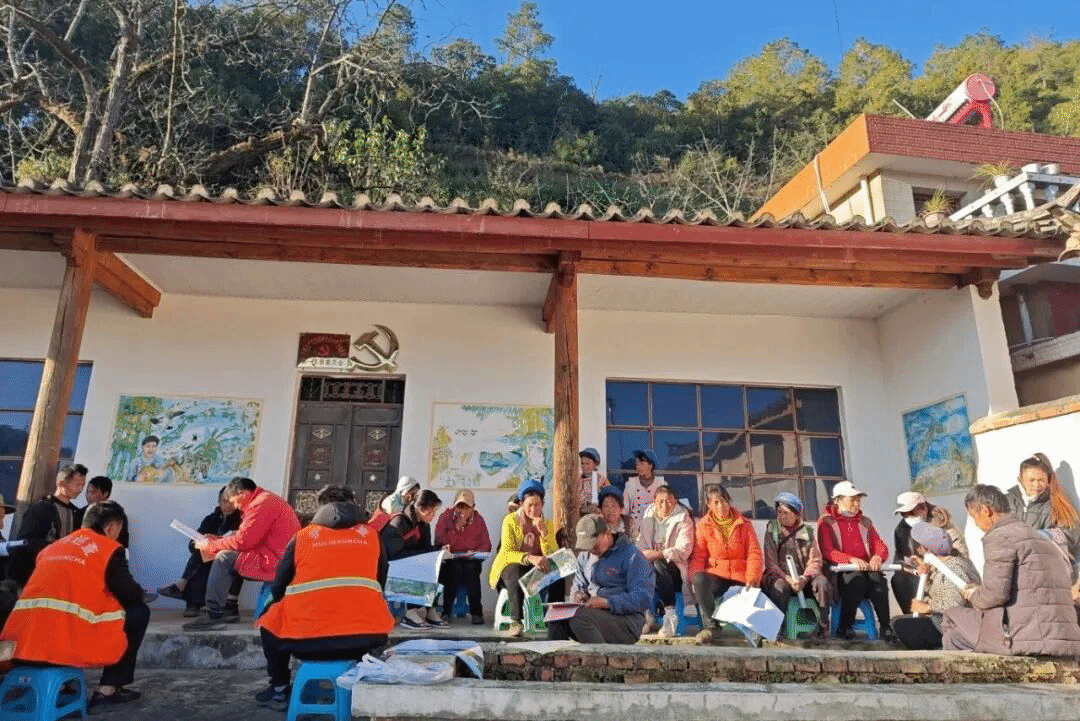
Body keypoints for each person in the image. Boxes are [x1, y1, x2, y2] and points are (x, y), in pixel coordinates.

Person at [254, 485, 394, 711]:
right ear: (354, 504)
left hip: (306, 642)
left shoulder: (303, 537)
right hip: (365, 639)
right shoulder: (371, 536)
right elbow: (381, 580)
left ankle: (279, 689)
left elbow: (279, 585)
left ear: (319, 509)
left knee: (268, 617)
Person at [1, 501, 150, 708]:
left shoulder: (52, 547)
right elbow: (130, 594)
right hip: (65, 645)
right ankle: (108, 690)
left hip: (21, 648)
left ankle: (62, 686)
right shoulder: (107, 549)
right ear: (111, 528)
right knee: (139, 612)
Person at [943, 484, 1080, 655]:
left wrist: (973, 595)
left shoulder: (999, 536)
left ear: (985, 511)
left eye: (974, 517)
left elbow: (995, 595)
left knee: (951, 625)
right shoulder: (1037, 536)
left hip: (1027, 637)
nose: (976, 524)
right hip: (1063, 636)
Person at [185, 477, 300, 631]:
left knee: (224, 558)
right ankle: (228, 609)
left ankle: (213, 614)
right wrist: (218, 540)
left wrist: (211, 545)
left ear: (242, 493)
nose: (235, 506)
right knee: (230, 555)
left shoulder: (261, 504)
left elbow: (243, 541)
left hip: (275, 559)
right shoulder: (264, 500)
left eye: (234, 501)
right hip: (276, 555)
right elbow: (248, 536)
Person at [547, 514, 654, 644]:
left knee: (580, 617)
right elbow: (578, 586)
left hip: (626, 621)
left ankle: (600, 655)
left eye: (594, 545)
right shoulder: (584, 557)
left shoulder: (633, 556)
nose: (591, 550)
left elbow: (642, 599)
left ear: (607, 533)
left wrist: (606, 602)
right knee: (556, 617)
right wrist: (579, 595)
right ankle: (558, 656)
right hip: (593, 614)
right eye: (587, 546)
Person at [818, 481, 895, 643]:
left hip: (865, 570)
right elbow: (827, 551)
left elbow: (880, 545)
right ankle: (844, 627)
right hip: (840, 572)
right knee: (856, 581)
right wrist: (851, 559)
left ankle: (886, 626)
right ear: (837, 501)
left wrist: (877, 557)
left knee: (879, 582)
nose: (856, 504)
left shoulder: (865, 522)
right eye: (852, 499)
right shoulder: (826, 523)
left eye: (858, 500)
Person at [689, 483, 763, 642]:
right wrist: (694, 578)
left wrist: (752, 576)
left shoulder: (744, 524)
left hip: (740, 577)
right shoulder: (703, 526)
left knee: (759, 593)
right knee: (699, 579)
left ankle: (756, 628)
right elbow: (698, 556)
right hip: (717, 577)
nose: (720, 506)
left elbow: (754, 553)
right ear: (709, 504)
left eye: (723, 501)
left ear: (729, 502)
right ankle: (712, 626)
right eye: (715, 502)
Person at [489, 479, 561, 638]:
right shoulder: (510, 521)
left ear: (543, 504)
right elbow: (507, 552)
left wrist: (544, 535)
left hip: (534, 571)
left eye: (537, 505)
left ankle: (557, 621)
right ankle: (516, 621)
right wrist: (529, 558)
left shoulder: (548, 524)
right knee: (515, 570)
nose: (533, 509)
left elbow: (551, 554)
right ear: (521, 504)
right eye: (529, 505)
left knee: (558, 573)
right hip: (509, 570)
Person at [891, 521, 979, 650]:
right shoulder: (943, 563)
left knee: (902, 627)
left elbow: (956, 603)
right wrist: (926, 576)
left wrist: (928, 607)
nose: (917, 549)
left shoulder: (952, 568)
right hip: (943, 620)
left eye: (919, 545)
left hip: (954, 626)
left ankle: (940, 647)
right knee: (897, 622)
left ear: (926, 548)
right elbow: (940, 590)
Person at [156, 486, 243, 616]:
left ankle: (185, 591)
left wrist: (216, 539)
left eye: (231, 502)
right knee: (199, 554)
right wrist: (199, 541)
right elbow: (193, 544)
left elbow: (239, 541)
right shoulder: (211, 519)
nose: (228, 505)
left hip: (227, 555)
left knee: (200, 559)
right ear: (219, 502)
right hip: (208, 555)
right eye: (224, 501)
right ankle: (192, 601)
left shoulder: (240, 520)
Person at [761, 491, 833, 639]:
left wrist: (804, 578)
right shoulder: (772, 530)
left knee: (822, 583)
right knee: (779, 587)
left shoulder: (807, 531)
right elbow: (771, 563)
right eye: (779, 512)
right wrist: (788, 579)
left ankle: (822, 627)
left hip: (803, 578)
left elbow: (814, 560)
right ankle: (778, 628)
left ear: (796, 514)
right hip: (782, 577)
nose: (781, 516)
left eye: (786, 513)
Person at [890, 491, 967, 614]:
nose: (908, 518)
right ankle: (912, 618)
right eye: (904, 514)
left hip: (944, 572)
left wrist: (932, 566)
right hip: (918, 574)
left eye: (911, 513)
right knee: (898, 580)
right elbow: (900, 557)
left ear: (924, 508)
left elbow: (960, 556)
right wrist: (914, 568)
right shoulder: (901, 530)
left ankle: (935, 614)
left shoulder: (944, 525)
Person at [10, 463, 88, 584]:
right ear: (61, 483)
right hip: (38, 574)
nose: (80, 489)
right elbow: (25, 542)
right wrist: (55, 545)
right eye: (77, 484)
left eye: (82, 485)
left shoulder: (76, 514)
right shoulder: (40, 509)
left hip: (62, 575)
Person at [380, 489, 447, 629]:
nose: (433, 515)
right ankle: (410, 613)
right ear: (419, 509)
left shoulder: (423, 524)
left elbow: (425, 549)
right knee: (417, 566)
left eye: (434, 511)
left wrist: (439, 550)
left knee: (439, 564)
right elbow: (394, 555)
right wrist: (428, 554)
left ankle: (431, 610)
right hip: (390, 569)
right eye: (430, 512)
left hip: (407, 562)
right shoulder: (399, 522)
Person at [636, 484, 694, 637]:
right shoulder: (648, 516)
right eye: (660, 501)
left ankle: (670, 615)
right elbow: (640, 545)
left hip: (676, 569)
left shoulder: (683, 518)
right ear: (654, 500)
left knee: (658, 564)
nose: (664, 505)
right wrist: (648, 554)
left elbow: (684, 550)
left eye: (668, 501)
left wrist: (659, 554)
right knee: (640, 567)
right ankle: (646, 615)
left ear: (675, 500)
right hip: (651, 568)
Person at [1006, 453, 1080, 559]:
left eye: (1041, 480)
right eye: (1032, 480)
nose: (1036, 485)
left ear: (1047, 479)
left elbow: (1072, 534)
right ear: (1021, 479)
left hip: (1044, 563)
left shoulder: (1055, 503)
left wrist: (1040, 537)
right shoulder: (1008, 501)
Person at [434, 489, 492, 625]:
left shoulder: (478, 520)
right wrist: (456, 528)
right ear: (454, 506)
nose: (462, 511)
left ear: (473, 507)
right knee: (455, 569)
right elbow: (439, 541)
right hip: (450, 559)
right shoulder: (445, 517)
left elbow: (486, 544)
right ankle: (446, 611)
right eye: (459, 507)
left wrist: (475, 553)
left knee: (471, 570)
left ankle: (476, 613)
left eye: (466, 507)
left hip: (471, 560)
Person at [623, 449, 664, 534]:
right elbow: (625, 509)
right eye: (637, 464)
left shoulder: (661, 484)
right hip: (633, 530)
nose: (638, 467)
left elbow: (664, 509)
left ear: (651, 466)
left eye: (642, 464)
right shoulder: (631, 483)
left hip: (654, 529)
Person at [85, 476, 129, 548]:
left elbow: (122, 543)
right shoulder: (82, 511)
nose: (88, 495)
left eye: (93, 492)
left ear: (105, 494)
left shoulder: (116, 515)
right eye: (87, 492)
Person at [578, 447, 610, 514]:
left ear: (595, 464)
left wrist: (599, 509)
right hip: (579, 517)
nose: (584, 466)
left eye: (587, 464)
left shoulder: (602, 480)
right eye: (582, 463)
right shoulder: (577, 481)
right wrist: (583, 509)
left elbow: (609, 500)